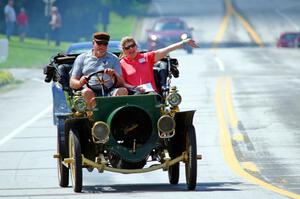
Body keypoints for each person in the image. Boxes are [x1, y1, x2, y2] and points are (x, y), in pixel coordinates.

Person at [70, 32, 128, 109]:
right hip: (90, 92)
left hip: (110, 91)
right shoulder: (82, 58)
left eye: (105, 44)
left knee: (123, 91)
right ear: (93, 43)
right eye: (99, 43)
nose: (102, 46)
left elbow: (121, 83)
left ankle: (114, 114)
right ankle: (92, 115)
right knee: (86, 92)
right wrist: (80, 82)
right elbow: (72, 82)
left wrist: (114, 75)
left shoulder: (114, 59)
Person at [120, 36, 198, 93]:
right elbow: (123, 83)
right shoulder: (121, 63)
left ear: (136, 46)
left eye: (132, 46)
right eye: (127, 47)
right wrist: (135, 88)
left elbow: (166, 50)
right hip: (133, 94)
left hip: (151, 93)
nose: (130, 49)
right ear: (124, 50)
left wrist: (184, 42)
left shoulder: (147, 57)